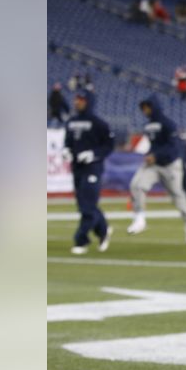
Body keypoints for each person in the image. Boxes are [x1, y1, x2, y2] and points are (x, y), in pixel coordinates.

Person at [127, 95, 186, 243]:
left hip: (170, 164)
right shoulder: (148, 126)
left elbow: (174, 147)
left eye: (147, 107)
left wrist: (157, 155)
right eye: (143, 107)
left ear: (153, 106)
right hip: (154, 164)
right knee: (137, 185)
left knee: (177, 195)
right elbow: (155, 145)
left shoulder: (168, 124)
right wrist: (151, 155)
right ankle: (140, 218)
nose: (144, 110)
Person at [64, 90, 114, 254]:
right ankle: (104, 230)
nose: (77, 102)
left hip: (93, 168)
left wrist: (94, 154)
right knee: (83, 204)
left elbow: (108, 145)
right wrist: (67, 150)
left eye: (80, 99)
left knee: (88, 205)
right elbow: (69, 141)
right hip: (77, 167)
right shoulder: (71, 121)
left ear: (88, 101)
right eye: (76, 99)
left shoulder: (99, 123)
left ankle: (81, 240)